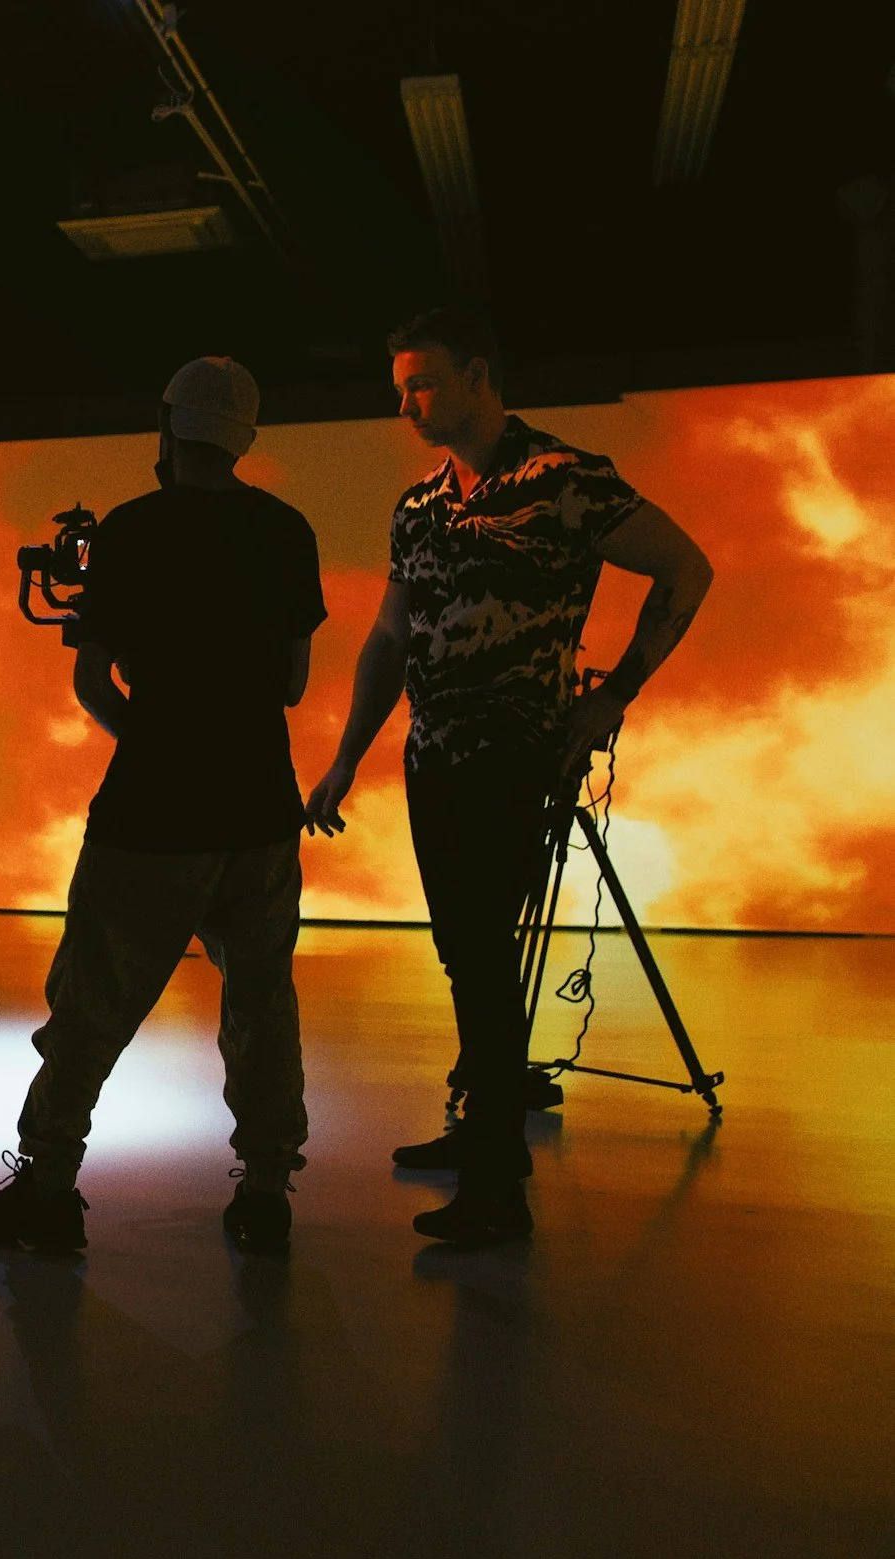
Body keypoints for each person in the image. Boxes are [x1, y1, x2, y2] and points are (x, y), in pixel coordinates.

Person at [304, 308, 712, 1245]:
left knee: (485, 957)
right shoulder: (421, 506)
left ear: (479, 375)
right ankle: (488, 1135)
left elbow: (685, 568)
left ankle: (495, 1180)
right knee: (465, 952)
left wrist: (616, 694)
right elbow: (391, 633)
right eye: (399, 386)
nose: (407, 402)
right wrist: (347, 754)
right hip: (433, 753)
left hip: (513, 752)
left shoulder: (563, 481)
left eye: (424, 382)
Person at [0, 356, 325, 1256]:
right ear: (245, 437)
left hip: (151, 814)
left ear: (168, 427)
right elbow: (294, 685)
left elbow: (91, 681)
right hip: (261, 813)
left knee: (91, 1003)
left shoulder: (131, 530)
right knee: (262, 1004)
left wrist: (152, 733)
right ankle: (268, 1188)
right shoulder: (286, 531)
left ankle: (47, 1186)